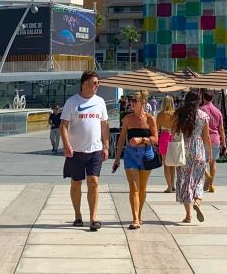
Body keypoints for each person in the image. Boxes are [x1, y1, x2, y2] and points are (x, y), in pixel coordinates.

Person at [60, 71, 109, 231]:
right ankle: (77, 215)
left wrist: (106, 145)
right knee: (76, 184)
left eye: (97, 83)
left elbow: (104, 126)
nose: (97, 85)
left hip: (95, 150)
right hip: (76, 151)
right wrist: (66, 144)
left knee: (93, 182)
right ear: (84, 84)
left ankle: (93, 218)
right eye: (94, 83)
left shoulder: (100, 102)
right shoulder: (72, 102)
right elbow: (64, 126)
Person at [112, 91, 158, 229]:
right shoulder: (127, 118)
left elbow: (155, 139)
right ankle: (135, 219)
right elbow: (121, 139)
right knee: (134, 188)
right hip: (130, 155)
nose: (131, 103)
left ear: (143, 103)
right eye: (131, 100)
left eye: (135, 101)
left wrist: (141, 139)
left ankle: (140, 215)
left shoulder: (150, 119)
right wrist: (117, 158)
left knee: (142, 188)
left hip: (146, 154)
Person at [174, 91, 209, 224]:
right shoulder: (203, 116)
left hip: (184, 149)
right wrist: (209, 153)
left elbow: (175, 132)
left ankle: (188, 215)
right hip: (198, 148)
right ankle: (197, 202)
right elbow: (206, 137)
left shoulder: (180, 114)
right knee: (198, 179)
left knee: (185, 180)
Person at [198, 90, 225, 193]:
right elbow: (221, 128)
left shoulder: (201, 110)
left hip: (203, 139)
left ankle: (206, 176)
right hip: (216, 139)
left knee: (201, 162)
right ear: (212, 99)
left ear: (203, 98)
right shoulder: (218, 111)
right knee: (213, 163)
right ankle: (211, 185)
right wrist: (224, 143)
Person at [156, 95, 178, 193]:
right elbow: (177, 128)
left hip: (164, 138)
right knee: (173, 164)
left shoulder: (160, 115)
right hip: (173, 138)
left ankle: (169, 186)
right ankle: (173, 185)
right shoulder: (175, 115)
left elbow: (156, 130)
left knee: (166, 164)